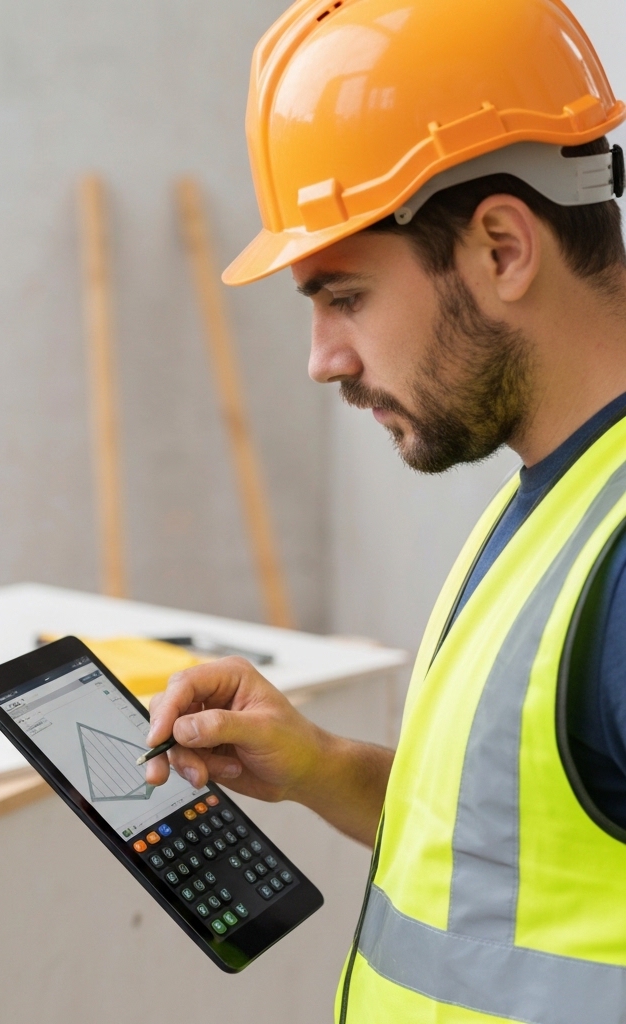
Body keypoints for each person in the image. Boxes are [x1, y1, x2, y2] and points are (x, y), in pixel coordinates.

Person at [144, 1, 626, 1020]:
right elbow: (524, 860)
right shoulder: (562, 501)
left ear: (499, 246)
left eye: (344, 296)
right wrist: (319, 766)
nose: (323, 360)